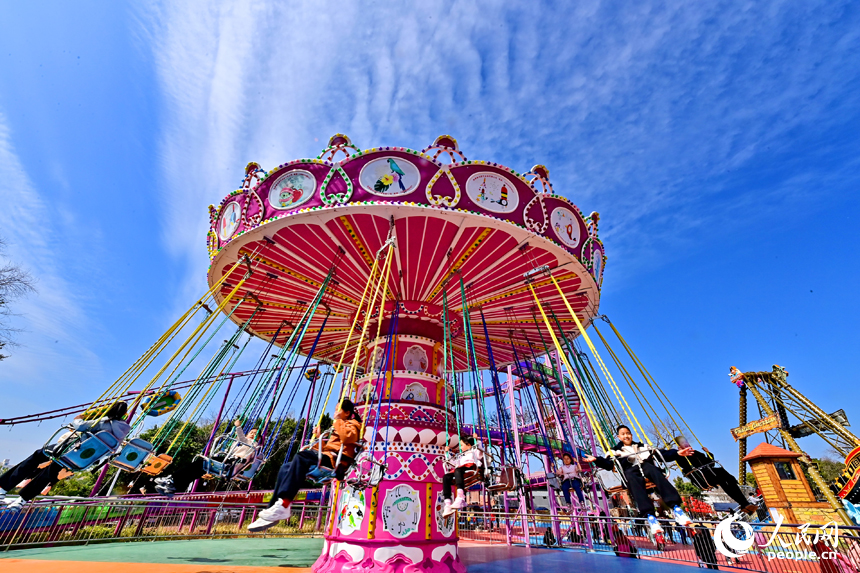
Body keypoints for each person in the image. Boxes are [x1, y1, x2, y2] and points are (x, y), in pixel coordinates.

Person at [248, 399, 361, 532]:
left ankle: (284, 503)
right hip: (327, 456)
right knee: (285, 468)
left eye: (338, 409)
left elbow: (347, 438)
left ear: (347, 413)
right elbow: (326, 448)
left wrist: (337, 422)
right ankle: (272, 509)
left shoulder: (353, 424)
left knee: (301, 457)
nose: (335, 412)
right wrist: (319, 436)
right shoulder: (339, 425)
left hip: (336, 460)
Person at [0, 401, 130, 511]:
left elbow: (79, 426)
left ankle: (3, 489)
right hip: (82, 460)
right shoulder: (124, 431)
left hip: (67, 450)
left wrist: (79, 418)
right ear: (125, 414)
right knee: (49, 474)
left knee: (36, 457)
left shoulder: (103, 422)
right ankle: (21, 501)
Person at [583, 424, 695, 539]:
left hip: (646, 467)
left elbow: (661, 454)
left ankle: (676, 508)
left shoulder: (643, 447)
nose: (626, 436)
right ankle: (650, 517)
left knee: (654, 470)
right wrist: (596, 460)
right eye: (623, 434)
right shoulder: (615, 451)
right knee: (631, 477)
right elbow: (608, 464)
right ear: (619, 437)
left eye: (628, 433)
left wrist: (677, 453)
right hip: (631, 471)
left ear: (631, 435)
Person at [155, 419, 260, 495]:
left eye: (255, 434)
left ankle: (172, 479)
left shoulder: (252, 444)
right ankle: (175, 487)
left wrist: (238, 426)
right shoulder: (252, 448)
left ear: (258, 438)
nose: (252, 434)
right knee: (200, 469)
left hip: (230, 463)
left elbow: (242, 438)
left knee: (200, 463)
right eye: (251, 432)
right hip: (231, 464)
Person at [673, 436, 757, 515]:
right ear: (679, 446)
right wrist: (681, 454)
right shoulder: (680, 456)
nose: (687, 444)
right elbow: (684, 466)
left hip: (712, 474)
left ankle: (745, 505)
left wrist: (708, 453)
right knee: (723, 478)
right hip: (701, 478)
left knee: (729, 481)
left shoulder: (696, 453)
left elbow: (710, 463)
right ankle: (744, 504)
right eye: (683, 443)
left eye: (686, 442)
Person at [441, 435, 483, 517]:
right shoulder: (462, 455)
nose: (461, 447)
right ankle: (447, 503)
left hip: (470, 467)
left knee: (458, 470)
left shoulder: (474, 451)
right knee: (446, 477)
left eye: (462, 445)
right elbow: (454, 463)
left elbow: (480, 452)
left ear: (469, 445)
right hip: (460, 469)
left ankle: (460, 496)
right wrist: (447, 453)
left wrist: (477, 440)